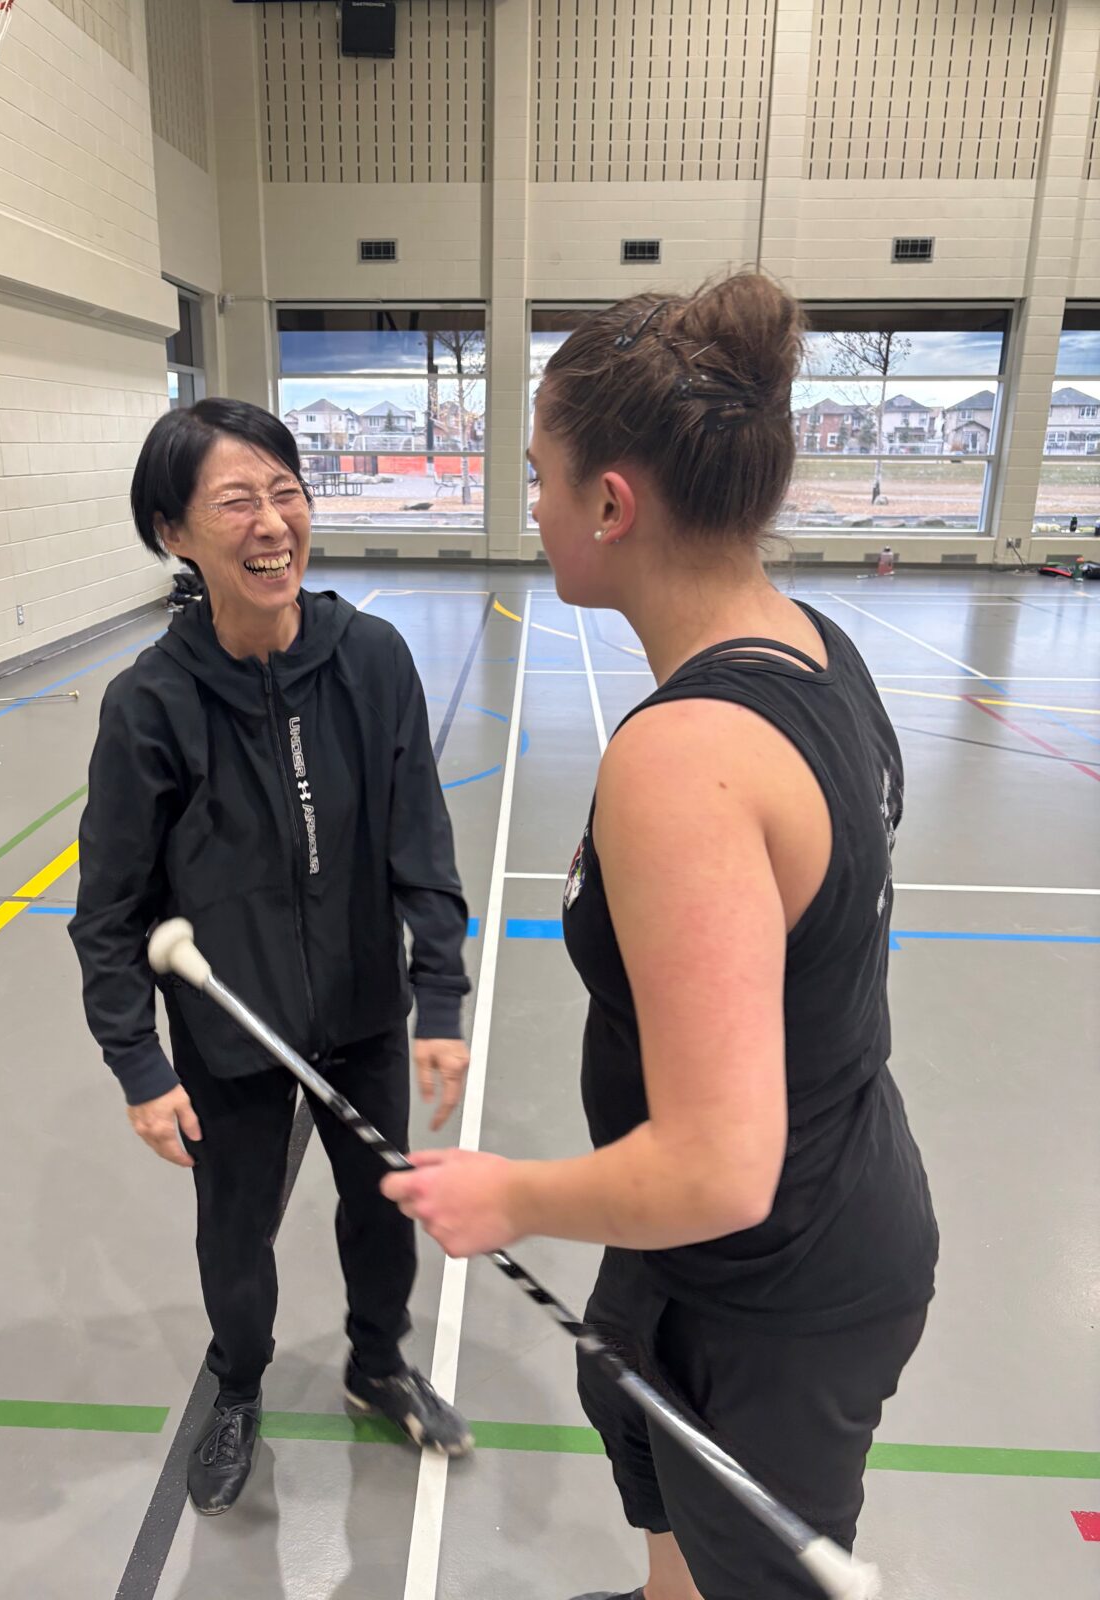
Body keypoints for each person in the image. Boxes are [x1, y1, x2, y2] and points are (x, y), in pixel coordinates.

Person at [383, 274, 939, 1600]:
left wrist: (506, 1193)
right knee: (646, 1443)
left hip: (776, 1273)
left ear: (612, 505)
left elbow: (719, 1168)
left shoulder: (684, 760)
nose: (532, 505)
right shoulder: (813, 645)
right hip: (756, 1226)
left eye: (540, 478)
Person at [69, 398, 474, 1517]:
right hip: (230, 1030)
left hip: (359, 1007)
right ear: (174, 534)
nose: (272, 523)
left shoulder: (371, 660)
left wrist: (436, 989)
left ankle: (377, 1360)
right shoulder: (148, 704)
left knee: (382, 1203)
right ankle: (239, 1382)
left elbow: (418, 840)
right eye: (237, 501)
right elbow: (108, 911)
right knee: (236, 1230)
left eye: (287, 493)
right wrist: (141, 1067)